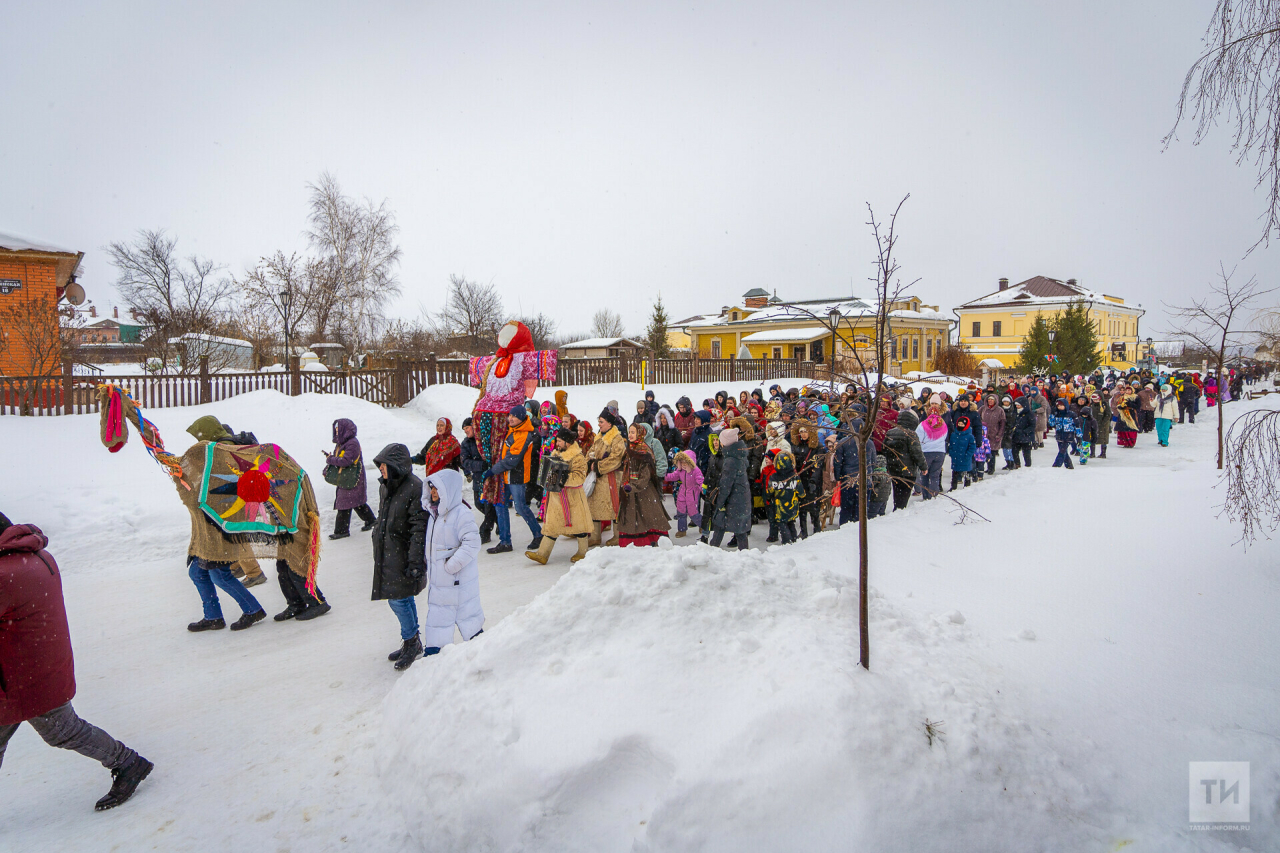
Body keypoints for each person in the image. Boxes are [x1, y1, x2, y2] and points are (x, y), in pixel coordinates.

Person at [0, 513, 153, 810]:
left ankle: (129, 762)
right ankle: (128, 762)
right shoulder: (37, 556)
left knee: (62, 730)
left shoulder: (4, 574)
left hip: (24, 674)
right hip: (36, 663)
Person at [370, 444, 429, 671]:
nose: (381, 469)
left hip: (403, 553)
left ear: (396, 466)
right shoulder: (386, 486)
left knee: (398, 599)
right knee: (403, 598)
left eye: (384, 465)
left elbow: (418, 528)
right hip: (389, 551)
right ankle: (412, 640)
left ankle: (411, 641)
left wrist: (415, 561)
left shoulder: (414, 488)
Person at [421, 469, 485, 656]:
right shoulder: (435, 514)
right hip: (440, 582)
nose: (433, 493)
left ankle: (480, 649)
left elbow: (472, 542)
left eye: (437, 489)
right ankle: (433, 653)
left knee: (468, 616)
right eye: (431, 489)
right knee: (438, 615)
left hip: (458, 581)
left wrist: (451, 565)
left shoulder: (461, 513)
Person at [526, 427, 593, 564]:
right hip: (556, 498)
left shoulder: (578, 457)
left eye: (560, 441)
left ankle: (582, 552)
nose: (557, 443)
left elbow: (580, 477)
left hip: (573, 497)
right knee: (552, 526)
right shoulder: (555, 454)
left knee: (579, 526)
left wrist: (562, 479)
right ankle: (543, 554)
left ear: (568, 443)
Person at [480, 405, 542, 554]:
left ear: (521, 418)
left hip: (517, 477)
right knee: (500, 504)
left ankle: (539, 534)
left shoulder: (524, 435)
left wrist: (492, 471)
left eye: (514, 416)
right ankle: (505, 542)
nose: (511, 418)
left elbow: (511, 460)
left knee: (520, 507)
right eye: (510, 416)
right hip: (505, 475)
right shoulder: (512, 430)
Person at [616, 424, 671, 546]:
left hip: (644, 490)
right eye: (629, 432)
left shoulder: (645, 451)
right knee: (632, 517)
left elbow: (646, 474)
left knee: (649, 515)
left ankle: (651, 540)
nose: (630, 435)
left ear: (640, 434)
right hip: (629, 488)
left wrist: (634, 486)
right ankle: (633, 542)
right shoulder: (629, 449)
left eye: (633, 432)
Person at [326, 418, 376, 540]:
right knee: (356, 502)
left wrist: (331, 459)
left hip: (354, 478)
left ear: (345, 430)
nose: (337, 432)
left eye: (339, 429)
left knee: (346, 502)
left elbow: (346, 461)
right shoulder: (342, 444)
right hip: (348, 478)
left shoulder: (352, 443)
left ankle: (341, 530)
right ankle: (371, 521)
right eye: (336, 429)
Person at [587, 409, 628, 547]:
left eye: (601, 422)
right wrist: (589, 461)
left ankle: (617, 536)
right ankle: (595, 536)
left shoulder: (617, 439)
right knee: (594, 505)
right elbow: (591, 451)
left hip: (612, 478)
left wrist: (598, 466)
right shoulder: (599, 436)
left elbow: (616, 458)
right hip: (598, 479)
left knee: (614, 506)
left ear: (609, 423)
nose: (598, 424)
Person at [709, 428, 752, 550]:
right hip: (742, 498)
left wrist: (720, 502)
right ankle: (746, 556)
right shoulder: (740, 455)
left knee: (719, 525)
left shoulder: (730, 460)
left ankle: (710, 552)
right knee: (740, 530)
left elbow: (726, 485)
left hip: (733, 500)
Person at [459, 418, 498, 544]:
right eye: (464, 429)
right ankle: (498, 521)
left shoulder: (483, 440)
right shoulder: (465, 443)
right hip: (477, 478)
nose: (466, 431)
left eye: (467, 428)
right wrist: (479, 465)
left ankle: (485, 532)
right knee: (478, 503)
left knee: (488, 506)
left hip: (488, 477)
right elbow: (464, 462)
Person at [883, 410, 927, 511]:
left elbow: (884, 449)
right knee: (904, 495)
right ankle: (899, 511)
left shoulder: (890, 432)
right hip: (908, 470)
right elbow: (916, 453)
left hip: (893, 468)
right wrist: (923, 466)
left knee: (897, 492)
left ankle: (896, 508)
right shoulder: (911, 434)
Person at [664, 450, 704, 538]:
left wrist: (702, 488)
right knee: (681, 511)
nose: (683, 464)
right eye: (681, 462)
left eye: (686, 462)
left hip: (692, 492)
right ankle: (682, 530)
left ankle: (703, 525)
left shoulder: (696, 470)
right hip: (683, 491)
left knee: (693, 513)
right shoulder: (680, 471)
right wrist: (664, 475)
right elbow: (673, 476)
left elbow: (700, 480)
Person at [767, 451, 804, 543]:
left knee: (782, 524)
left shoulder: (773, 477)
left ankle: (787, 542)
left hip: (780, 507)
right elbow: (801, 493)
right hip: (792, 506)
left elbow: (769, 492)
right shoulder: (795, 477)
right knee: (791, 523)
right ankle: (794, 541)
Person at [915, 401, 948, 499]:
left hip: (926, 452)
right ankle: (934, 494)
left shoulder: (923, 424)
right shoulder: (943, 424)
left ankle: (926, 496)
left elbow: (918, 438)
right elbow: (945, 437)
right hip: (940, 452)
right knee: (935, 475)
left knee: (925, 475)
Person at [947, 414, 977, 489]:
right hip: (956, 457)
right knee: (955, 473)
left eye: (962, 424)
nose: (960, 425)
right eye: (959, 424)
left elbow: (972, 447)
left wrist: (967, 455)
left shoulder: (970, 436)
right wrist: (951, 453)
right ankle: (953, 487)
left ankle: (967, 486)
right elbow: (951, 445)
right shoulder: (954, 434)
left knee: (966, 472)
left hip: (965, 457)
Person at [1048, 398, 1078, 469]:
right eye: (1058, 406)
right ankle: (1069, 466)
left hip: (1068, 435)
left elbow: (1077, 425)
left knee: (1062, 451)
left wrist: (1078, 436)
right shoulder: (1057, 414)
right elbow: (1051, 424)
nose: (1060, 407)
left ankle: (1056, 465)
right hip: (1059, 435)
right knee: (1064, 452)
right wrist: (1052, 414)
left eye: (1061, 405)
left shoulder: (1071, 414)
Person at [980, 394, 1006, 476]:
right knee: (984, 451)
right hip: (984, 434)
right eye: (989, 399)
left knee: (992, 452)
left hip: (994, 434)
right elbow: (977, 417)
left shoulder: (1000, 410)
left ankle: (991, 468)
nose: (990, 401)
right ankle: (986, 467)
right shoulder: (983, 409)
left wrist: (999, 435)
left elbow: (1002, 424)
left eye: (992, 399)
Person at [1011, 398, 1036, 468]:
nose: (1017, 406)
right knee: (1014, 451)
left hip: (1026, 436)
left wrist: (1025, 432)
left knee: (1026, 453)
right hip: (1016, 435)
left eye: (1019, 405)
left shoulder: (1029, 414)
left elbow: (1032, 425)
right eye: (1016, 405)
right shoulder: (1014, 412)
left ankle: (1028, 466)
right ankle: (1017, 464)